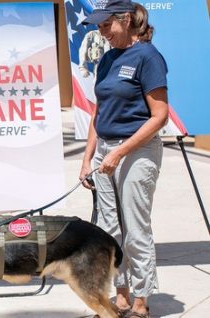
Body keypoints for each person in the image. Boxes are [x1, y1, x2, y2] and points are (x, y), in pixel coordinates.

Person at [79, 1, 168, 318]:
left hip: (137, 151)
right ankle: (119, 297)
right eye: (98, 27)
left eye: (106, 25)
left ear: (127, 20)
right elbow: (97, 111)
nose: (101, 32)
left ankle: (141, 302)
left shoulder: (148, 57)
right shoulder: (106, 59)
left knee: (134, 229)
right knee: (107, 230)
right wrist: (88, 157)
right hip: (105, 151)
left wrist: (119, 151)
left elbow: (159, 116)